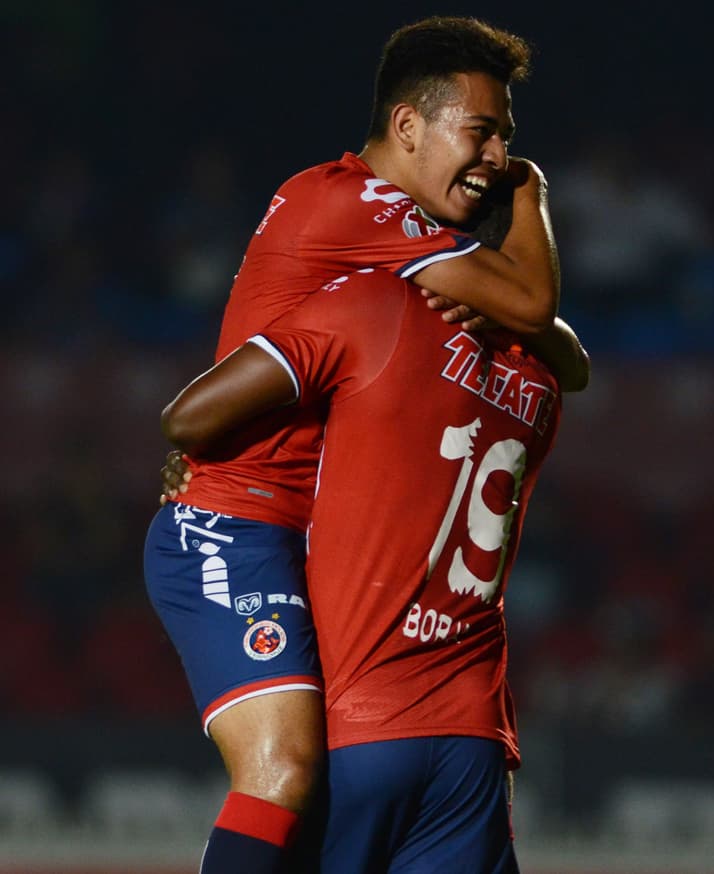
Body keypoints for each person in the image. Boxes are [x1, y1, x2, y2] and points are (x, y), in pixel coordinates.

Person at [144, 16, 585, 874]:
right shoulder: (354, 203)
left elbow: (557, 348)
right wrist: (530, 192)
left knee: (314, 808)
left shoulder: (396, 247)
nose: (496, 155)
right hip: (235, 524)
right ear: (408, 125)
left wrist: (503, 301)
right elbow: (535, 310)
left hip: (305, 540)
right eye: (482, 130)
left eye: (509, 140)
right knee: (286, 770)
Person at [161, 264, 559, 870]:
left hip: (362, 724)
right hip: (473, 735)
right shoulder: (547, 387)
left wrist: (224, 471)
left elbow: (188, 417)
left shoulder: (378, 308)